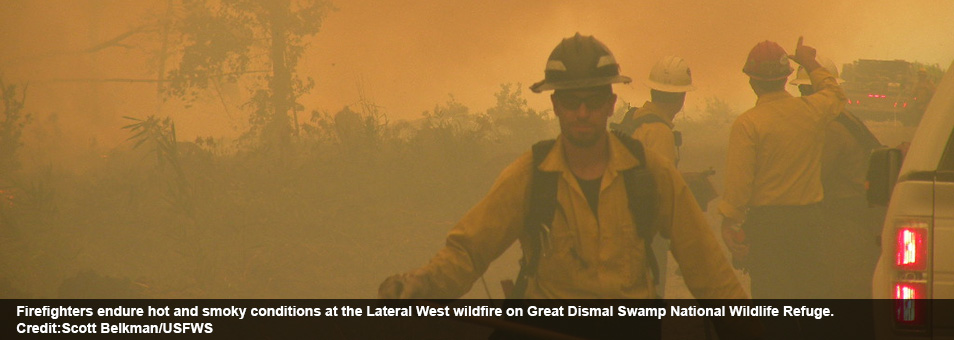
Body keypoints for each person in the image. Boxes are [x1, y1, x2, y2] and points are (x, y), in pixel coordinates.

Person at [380, 32, 746, 301]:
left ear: (610, 103)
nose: (582, 112)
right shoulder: (529, 178)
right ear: (555, 105)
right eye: (571, 100)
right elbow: (469, 251)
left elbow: (708, 270)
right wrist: (420, 287)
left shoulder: (649, 173)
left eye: (593, 99)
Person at [719, 38, 847, 299]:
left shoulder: (747, 125)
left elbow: (738, 187)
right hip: (810, 224)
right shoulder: (812, 110)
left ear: (752, 82)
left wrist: (729, 223)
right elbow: (836, 94)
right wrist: (809, 62)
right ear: (786, 78)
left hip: (768, 229)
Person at [790, 59, 883, 298]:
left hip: (844, 220)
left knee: (843, 286)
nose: (802, 96)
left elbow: (812, 175)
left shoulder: (829, 127)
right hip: (860, 215)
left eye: (805, 90)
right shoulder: (845, 117)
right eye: (801, 90)